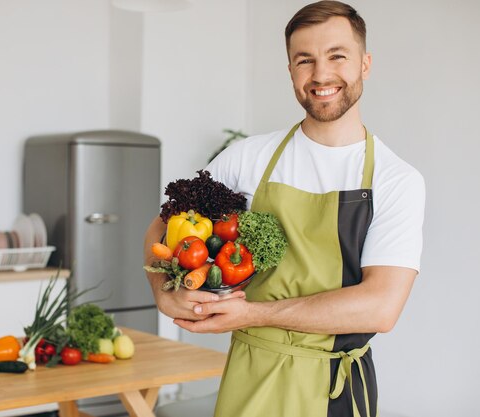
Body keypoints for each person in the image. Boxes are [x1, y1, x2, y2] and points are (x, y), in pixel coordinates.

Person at [143, 1, 425, 416]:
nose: (321, 74)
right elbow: (161, 228)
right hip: (249, 372)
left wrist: (252, 314)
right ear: (291, 71)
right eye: (304, 60)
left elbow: (380, 307)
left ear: (365, 64)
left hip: (335, 387)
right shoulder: (246, 159)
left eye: (337, 56)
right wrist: (164, 295)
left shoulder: (394, 179)